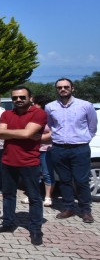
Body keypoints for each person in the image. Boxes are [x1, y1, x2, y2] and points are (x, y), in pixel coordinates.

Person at [0, 86, 47, 246]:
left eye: (22, 97)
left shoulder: (38, 113)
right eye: (15, 98)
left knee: (34, 197)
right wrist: (25, 133)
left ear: (30, 98)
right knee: (8, 195)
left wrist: (12, 133)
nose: (18, 100)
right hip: (8, 161)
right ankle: (8, 223)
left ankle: (35, 229)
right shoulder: (7, 113)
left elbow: (21, 133)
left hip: (30, 162)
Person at [46, 78, 97, 224]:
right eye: (60, 87)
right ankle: (68, 207)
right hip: (59, 149)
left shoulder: (85, 105)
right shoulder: (50, 107)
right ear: (56, 89)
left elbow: (92, 126)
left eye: (66, 87)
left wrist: (85, 138)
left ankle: (85, 210)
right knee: (64, 180)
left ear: (72, 88)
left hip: (79, 148)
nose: (63, 89)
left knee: (81, 181)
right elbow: (50, 125)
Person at [31, 95, 54, 207]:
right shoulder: (33, 116)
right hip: (34, 148)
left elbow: (54, 133)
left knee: (47, 173)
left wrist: (38, 138)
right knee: (35, 173)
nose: (32, 106)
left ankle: (48, 196)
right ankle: (34, 195)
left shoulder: (50, 117)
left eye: (34, 103)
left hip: (47, 149)